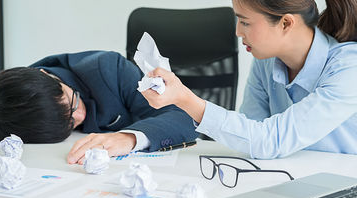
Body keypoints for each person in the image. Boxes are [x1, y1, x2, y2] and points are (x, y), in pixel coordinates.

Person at [141, 0, 357, 159]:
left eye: (245, 22)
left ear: (285, 23)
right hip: (289, 177)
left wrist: (184, 99)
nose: (237, 32)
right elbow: (249, 136)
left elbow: (270, 140)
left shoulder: (349, 67)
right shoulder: (265, 62)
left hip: (341, 190)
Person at [0, 50, 198, 164]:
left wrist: (128, 138)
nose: (80, 113)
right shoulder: (21, 102)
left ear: (46, 75)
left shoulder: (109, 70)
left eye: (72, 100)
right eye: (70, 122)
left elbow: (184, 117)